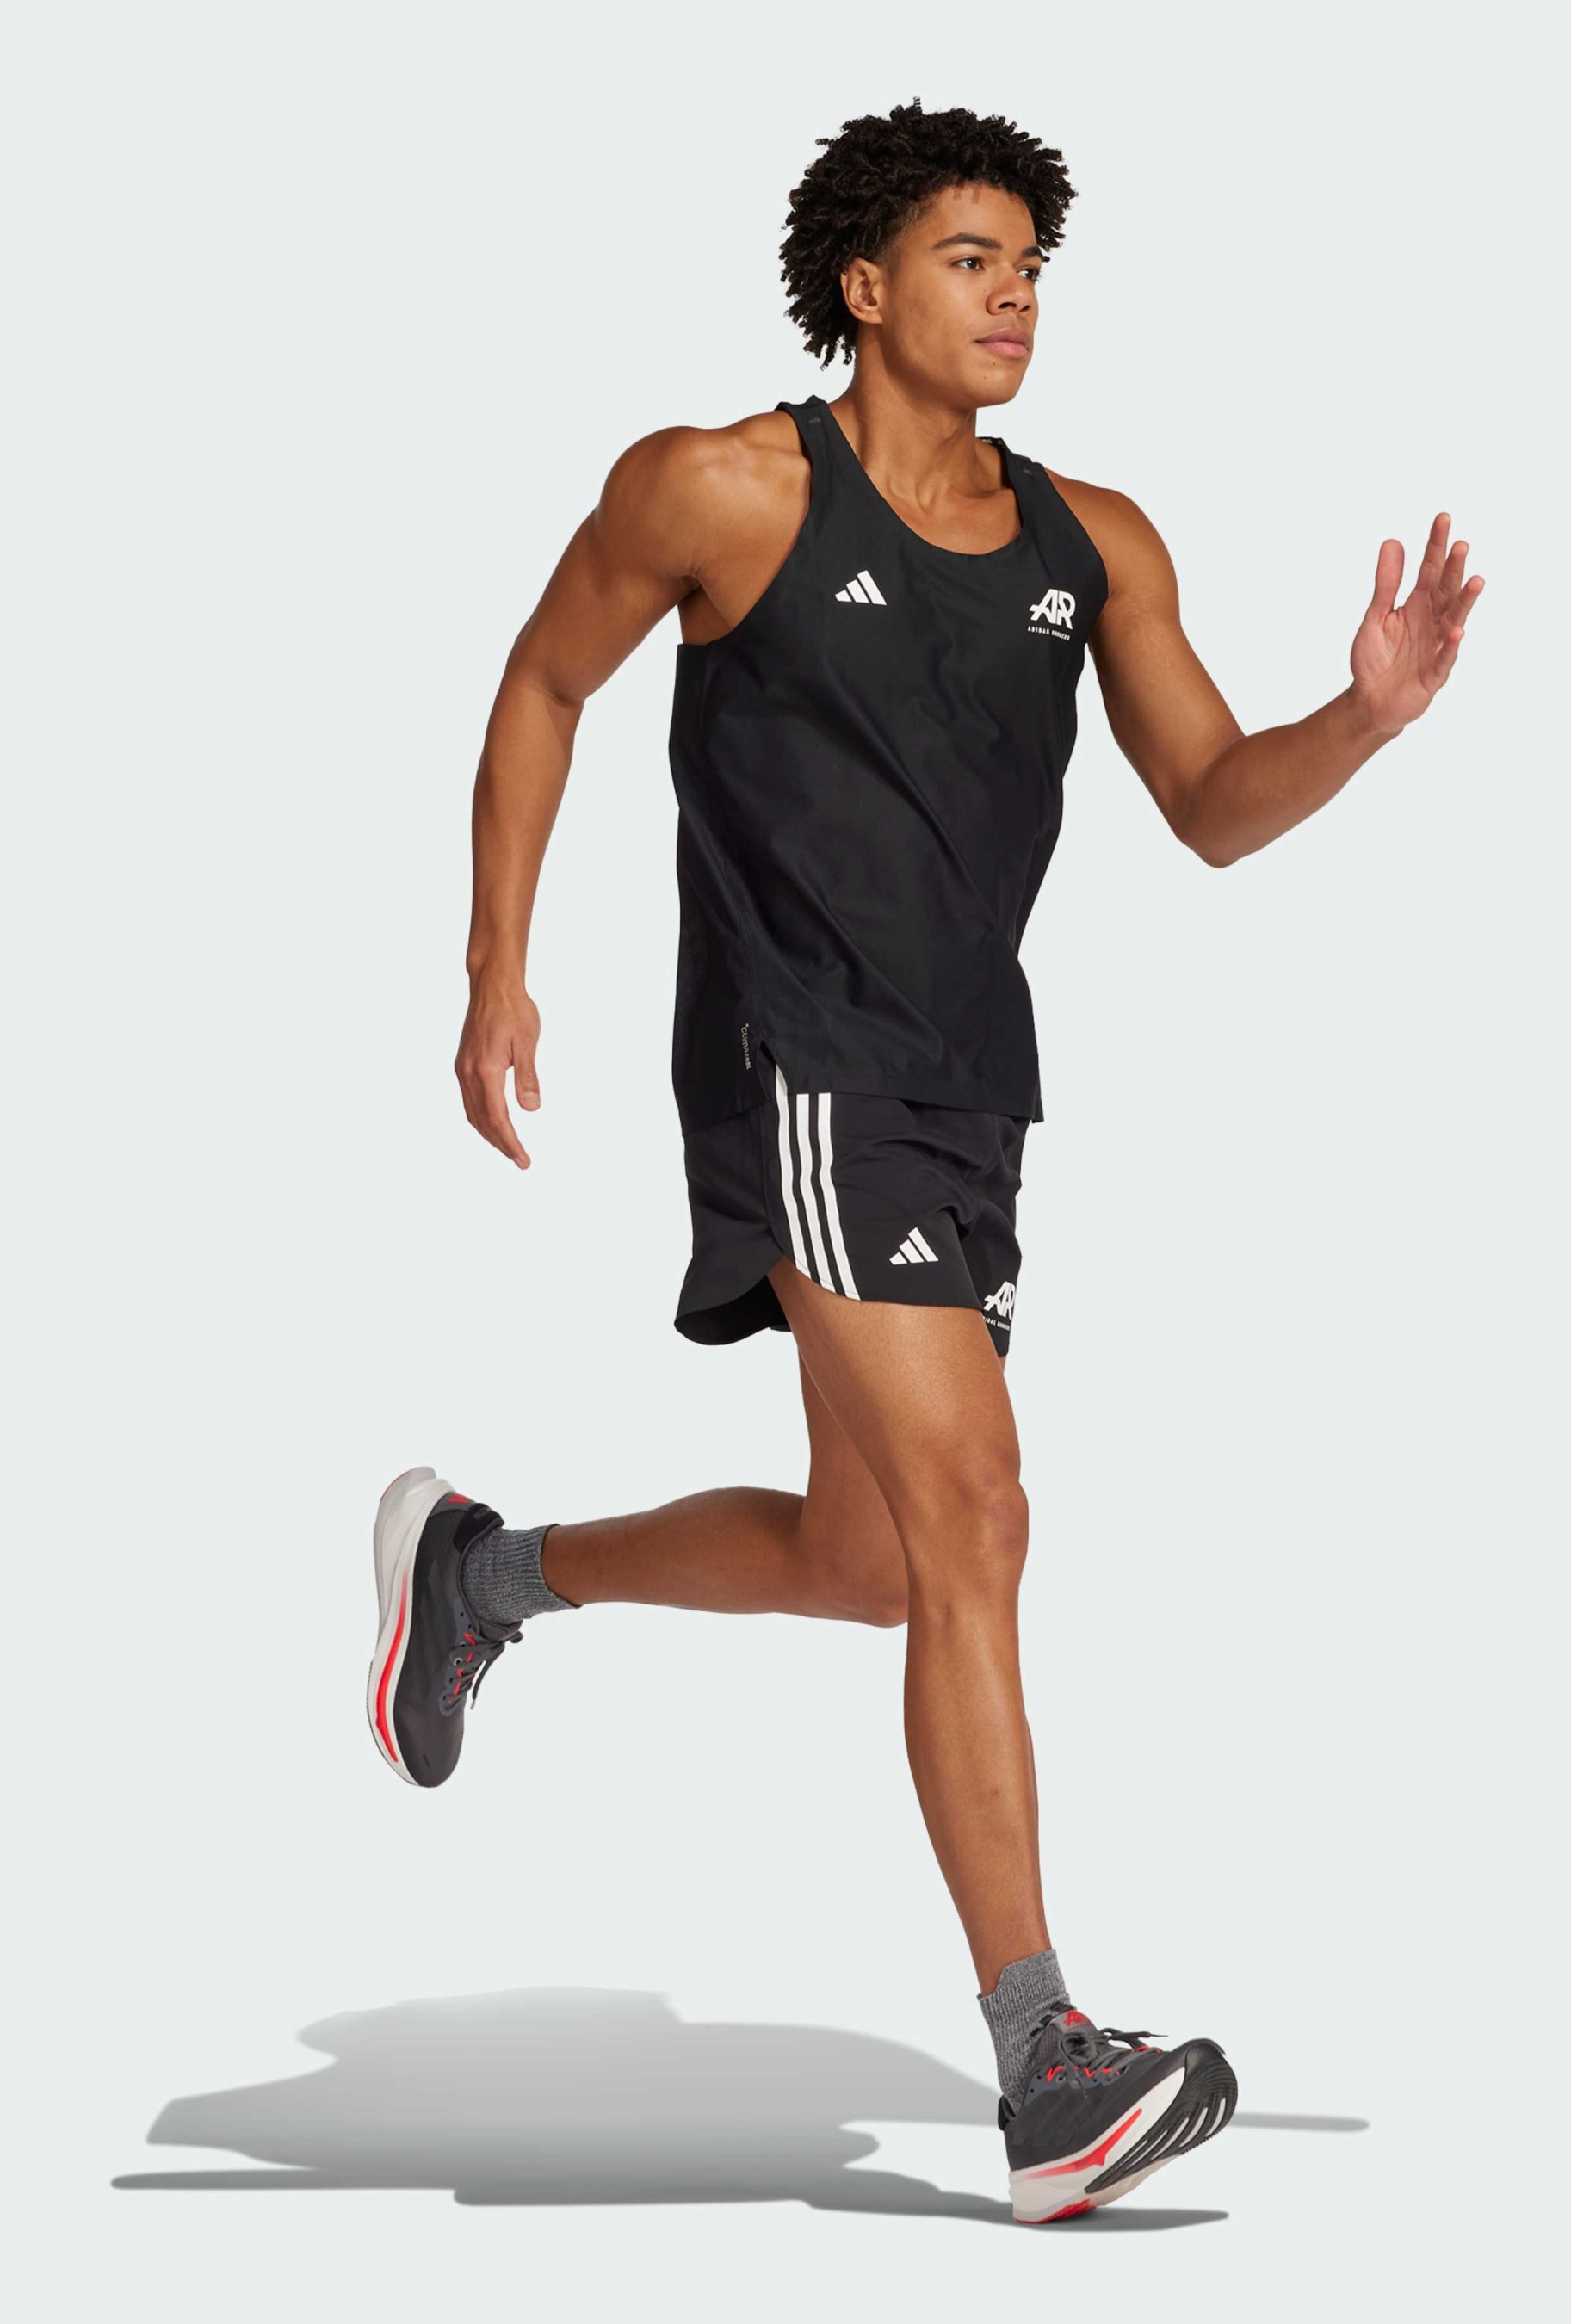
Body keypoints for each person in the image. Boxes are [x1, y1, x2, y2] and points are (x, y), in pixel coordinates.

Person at [367, 101, 1481, 2222]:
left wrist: (1360, 717)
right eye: (972, 261)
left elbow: (1209, 804)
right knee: (978, 1513)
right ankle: (1045, 2064)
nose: (1012, 299)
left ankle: (481, 1576)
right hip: (795, 1064)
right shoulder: (719, 488)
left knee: (873, 1559)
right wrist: (494, 966)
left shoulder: (1092, 543)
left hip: (970, 1089)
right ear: (866, 286)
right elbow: (541, 681)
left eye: (1031, 267)